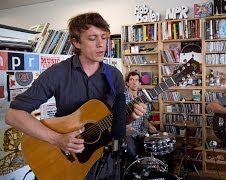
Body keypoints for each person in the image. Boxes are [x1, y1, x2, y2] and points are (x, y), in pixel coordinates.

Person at [5, 12, 147, 180]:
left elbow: (114, 122)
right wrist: (58, 139)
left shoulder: (114, 75)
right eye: (93, 38)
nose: (101, 44)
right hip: (66, 162)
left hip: (106, 163)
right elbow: (13, 115)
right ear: (76, 42)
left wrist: (129, 116)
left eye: (104, 37)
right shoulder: (57, 73)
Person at [124, 71, 157, 164]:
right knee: (132, 151)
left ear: (139, 83)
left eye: (136, 80)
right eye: (131, 80)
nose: (134, 82)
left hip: (141, 132)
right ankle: (134, 170)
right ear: (127, 83)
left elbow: (145, 118)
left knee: (151, 148)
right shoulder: (122, 98)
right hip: (127, 134)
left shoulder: (144, 98)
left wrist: (150, 125)